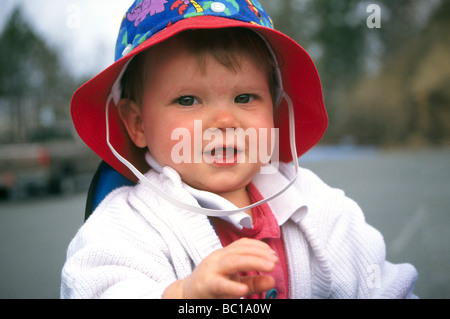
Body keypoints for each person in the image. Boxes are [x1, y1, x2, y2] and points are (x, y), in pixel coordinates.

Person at [62, 0, 418, 299]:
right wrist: (183, 296)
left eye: (245, 97)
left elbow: (381, 284)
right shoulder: (127, 222)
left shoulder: (315, 204)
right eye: (187, 100)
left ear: (275, 108)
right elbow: (97, 287)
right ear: (137, 123)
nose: (223, 119)